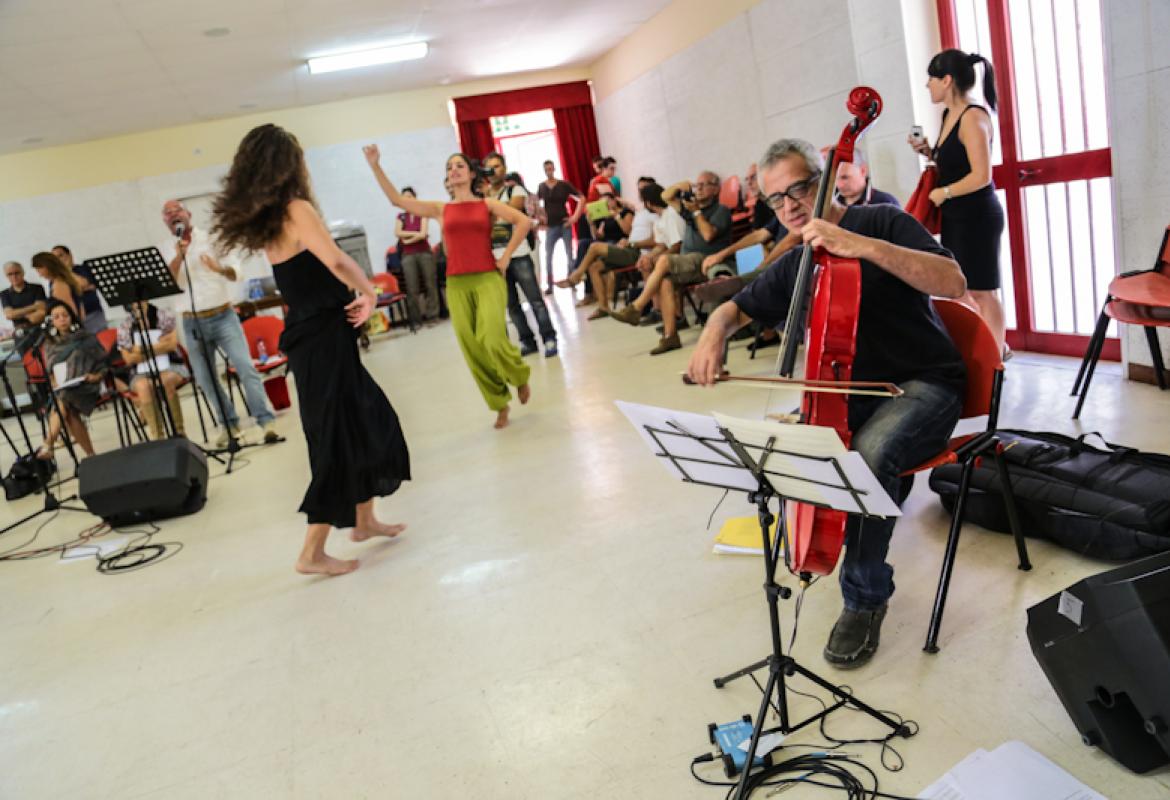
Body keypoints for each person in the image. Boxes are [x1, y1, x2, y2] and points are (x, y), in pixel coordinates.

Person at [687, 138, 968, 669]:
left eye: (799, 188)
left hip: (927, 384)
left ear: (825, 180)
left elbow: (952, 281)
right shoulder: (798, 261)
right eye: (776, 199)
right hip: (851, 396)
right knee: (790, 443)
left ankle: (864, 598)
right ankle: (819, 545)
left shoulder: (882, 221)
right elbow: (736, 308)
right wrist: (713, 334)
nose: (790, 205)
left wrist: (858, 244)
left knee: (871, 449)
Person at [213, 124, 411, 577]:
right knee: (336, 436)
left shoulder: (269, 220)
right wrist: (370, 291)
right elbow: (336, 260)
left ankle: (363, 520)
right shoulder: (296, 208)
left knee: (365, 416)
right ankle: (312, 551)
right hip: (323, 336)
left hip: (314, 334)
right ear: (288, 164)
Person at [364, 145, 533, 430]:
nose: (453, 170)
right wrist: (375, 165)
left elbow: (523, 221)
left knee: (492, 337)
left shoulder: (486, 205)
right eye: (449, 168)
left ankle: (519, 376)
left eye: (459, 166)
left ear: (470, 174)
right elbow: (396, 200)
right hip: (457, 284)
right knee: (473, 348)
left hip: (487, 278)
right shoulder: (441, 209)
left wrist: (505, 257)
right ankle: (499, 403)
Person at [910, 48, 1007, 353]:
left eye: (932, 79)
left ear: (947, 80)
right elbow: (956, 163)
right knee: (964, 287)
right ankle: (987, 350)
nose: (928, 86)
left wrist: (945, 192)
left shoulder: (973, 116)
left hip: (977, 216)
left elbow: (981, 175)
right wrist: (928, 151)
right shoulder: (948, 114)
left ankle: (997, 354)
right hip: (956, 216)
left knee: (984, 291)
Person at [159, 199, 279, 447]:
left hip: (223, 315)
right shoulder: (165, 249)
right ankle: (228, 424)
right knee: (205, 379)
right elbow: (165, 283)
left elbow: (236, 272)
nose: (173, 215)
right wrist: (178, 258)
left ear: (188, 214)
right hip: (192, 323)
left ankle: (265, 421)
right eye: (168, 213)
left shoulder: (213, 238)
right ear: (165, 222)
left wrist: (218, 268)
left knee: (245, 368)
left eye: (177, 210)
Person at [609, 171, 734, 355]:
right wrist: (681, 184)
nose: (698, 188)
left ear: (716, 189)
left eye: (704, 185)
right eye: (697, 185)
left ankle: (637, 307)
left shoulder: (720, 211)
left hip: (706, 259)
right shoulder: (690, 209)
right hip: (688, 262)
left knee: (664, 260)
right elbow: (666, 196)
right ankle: (670, 336)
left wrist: (696, 212)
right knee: (666, 280)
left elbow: (708, 235)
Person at [483, 152, 558, 358]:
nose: (493, 171)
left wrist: (491, 210)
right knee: (512, 305)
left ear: (504, 168)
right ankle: (527, 341)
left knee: (535, 300)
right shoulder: (482, 195)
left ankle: (549, 338)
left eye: (497, 166)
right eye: (489, 167)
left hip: (519, 253)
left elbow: (513, 210)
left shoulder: (514, 189)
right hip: (496, 258)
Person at [555, 187, 659, 320]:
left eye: (607, 201)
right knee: (594, 267)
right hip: (620, 246)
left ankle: (576, 275)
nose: (606, 204)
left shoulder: (626, 213)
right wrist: (592, 223)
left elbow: (628, 230)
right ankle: (603, 307)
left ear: (614, 200)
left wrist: (616, 216)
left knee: (593, 247)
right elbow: (599, 236)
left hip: (632, 250)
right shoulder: (606, 218)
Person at [36, 300, 107, 460]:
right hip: (65, 388)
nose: (62, 319)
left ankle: (48, 443)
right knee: (67, 406)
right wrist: (54, 381)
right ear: (51, 321)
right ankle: (91, 455)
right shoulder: (49, 343)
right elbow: (50, 371)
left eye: (65, 315)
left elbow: (103, 363)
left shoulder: (86, 337)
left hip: (89, 384)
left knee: (63, 401)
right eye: (57, 317)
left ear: (72, 318)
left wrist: (95, 376)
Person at [117, 300, 188, 440]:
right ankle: (157, 437)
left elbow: (171, 345)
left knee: (166, 381)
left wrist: (139, 349)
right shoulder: (125, 325)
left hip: (170, 364)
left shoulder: (163, 315)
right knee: (144, 387)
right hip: (140, 371)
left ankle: (179, 432)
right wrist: (158, 345)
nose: (137, 303)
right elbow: (129, 359)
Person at [395, 187, 440, 326]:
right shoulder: (401, 217)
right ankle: (416, 319)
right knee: (411, 287)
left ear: (415, 198)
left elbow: (423, 234)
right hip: (408, 255)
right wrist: (416, 235)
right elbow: (398, 233)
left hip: (424, 253)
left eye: (410, 196)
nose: (407, 200)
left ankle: (433, 316)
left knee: (430, 284)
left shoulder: (423, 214)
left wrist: (408, 238)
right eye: (404, 197)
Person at [536, 160, 584, 289]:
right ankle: (550, 285)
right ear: (544, 170)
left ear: (554, 169)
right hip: (551, 226)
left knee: (569, 252)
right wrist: (541, 220)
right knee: (548, 255)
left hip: (564, 223)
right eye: (546, 169)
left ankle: (572, 281)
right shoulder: (541, 186)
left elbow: (581, 198)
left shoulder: (564, 185)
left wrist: (574, 217)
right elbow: (536, 204)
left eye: (551, 169)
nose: (549, 172)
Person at [52, 245, 107, 333]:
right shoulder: (56, 278)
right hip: (72, 318)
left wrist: (67, 271)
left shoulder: (83, 269)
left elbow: (88, 285)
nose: (59, 260)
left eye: (60, 256)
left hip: (93, 313)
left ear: (69, 255)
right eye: (55, 259)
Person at [831, 149, 901, 208]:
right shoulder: (828, 203)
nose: (839, 185)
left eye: (845, 177)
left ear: (863, 170)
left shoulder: (886, 203)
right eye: (835, 178)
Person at [31, 251, 85, 320]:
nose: (39, 274)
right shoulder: (65, 281)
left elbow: (71, 310)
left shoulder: (59, 285)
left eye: (38, 269)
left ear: (47, 267)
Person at [1, 261, 47, 332]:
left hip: (41, 327)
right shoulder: (4, 294)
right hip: (20, 331)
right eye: (10, 274)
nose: (14, 277)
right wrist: (33, 308)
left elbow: (41, 307)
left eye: (17, 273)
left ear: (23, 272)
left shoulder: (37, 288)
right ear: (6, 276)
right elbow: (9, 314)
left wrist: (16, 313)